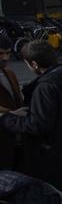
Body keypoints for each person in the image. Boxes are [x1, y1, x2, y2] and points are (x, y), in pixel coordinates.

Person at [0, 41, 62, 199]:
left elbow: (38, 124)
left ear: (34, 64)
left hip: (57, 164)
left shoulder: (46, 86)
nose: (6, 58)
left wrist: (7, 118)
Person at [0, 34, 22, 170]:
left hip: (15, 140)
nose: (5, 58)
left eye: (8, 53)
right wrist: (11, 114)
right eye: (1, 53)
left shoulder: (9, 73)